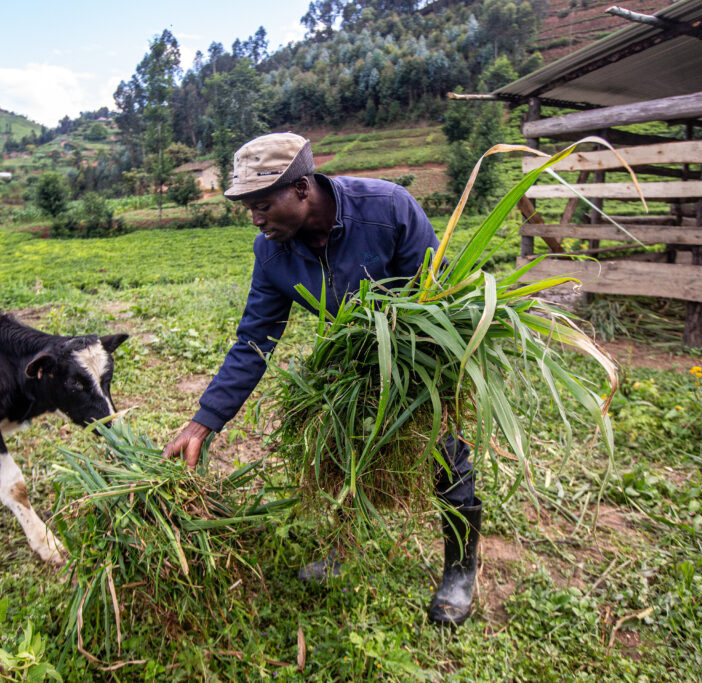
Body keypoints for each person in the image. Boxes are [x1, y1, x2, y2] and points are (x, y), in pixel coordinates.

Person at [162, 132, 480, 626]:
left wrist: (412, 372)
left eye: (264, 204)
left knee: (444, 455)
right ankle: (342, 550)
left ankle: (461, 571)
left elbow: (435, 296)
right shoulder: (270, 253)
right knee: (339, 453)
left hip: (422, 359)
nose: (256, 219)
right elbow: (254, 342)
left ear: (304, 189)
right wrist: (203, 423)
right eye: (249, 208)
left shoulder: (388, 209)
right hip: (349, 369)